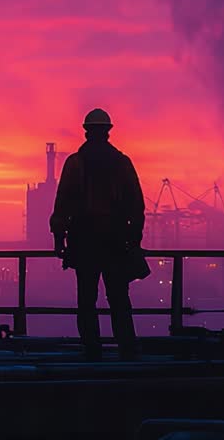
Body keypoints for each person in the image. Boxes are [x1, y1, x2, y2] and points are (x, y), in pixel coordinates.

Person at [50, 108, 146, 361]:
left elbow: (63, 203)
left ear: (86, 131)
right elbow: (136, 205)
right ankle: (127, 348)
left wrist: (59, 238)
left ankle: (92, 349)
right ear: (108, 132)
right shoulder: (122, 163)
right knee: (118, 298)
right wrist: (134, 240)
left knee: (86, 299)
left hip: (84, 241)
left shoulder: (75, 163)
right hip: (115, 241)